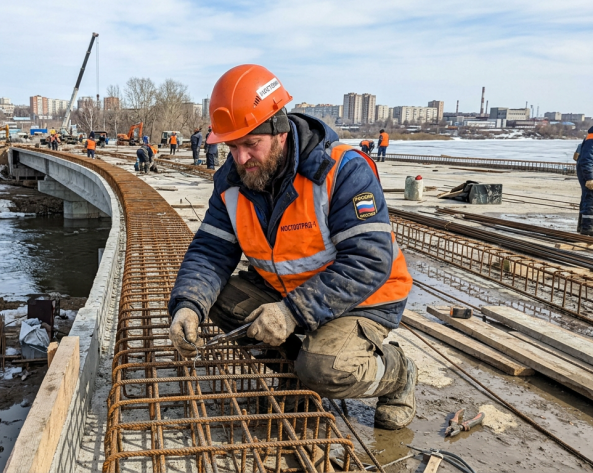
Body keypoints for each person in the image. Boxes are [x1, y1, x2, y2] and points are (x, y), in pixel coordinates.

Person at [167, 64, 416, 430]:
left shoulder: (341, 169)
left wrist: (292, 312)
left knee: (325, 368)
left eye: (251, 144)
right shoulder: (232, 182)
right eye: (231, 146)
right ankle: (298, 377)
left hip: (364, 297)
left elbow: (368, 260)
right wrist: (188, 305)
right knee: (218, 299)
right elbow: (210, 250)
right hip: (289, 291)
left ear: (280, 132)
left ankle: (398, 372)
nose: (240, 159)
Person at [577, 126, 593, 235]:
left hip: (588, 170)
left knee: (587, 197)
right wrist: (590, 177)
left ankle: (582, 225)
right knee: (590, 197)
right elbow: (586, 159)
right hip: (588, 171)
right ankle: (587, 228)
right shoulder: (591, 138)